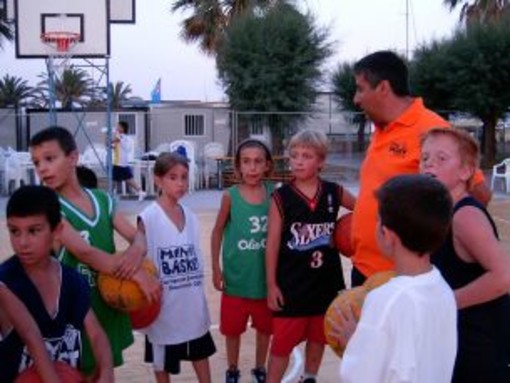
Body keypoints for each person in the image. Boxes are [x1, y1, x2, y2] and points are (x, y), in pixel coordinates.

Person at [350, 50, 492, 287]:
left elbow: (479, 194)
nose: (356, 99)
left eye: (360, 89)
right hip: (365, 269)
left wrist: (438, 247)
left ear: (383, 88)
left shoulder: (432, 129)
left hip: (401, 278)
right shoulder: (382, 128)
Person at [29, 126, 161, 378]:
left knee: (105, 371)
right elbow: (86, 252)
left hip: (106, 301)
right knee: (82, 374)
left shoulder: (103, 199)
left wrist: (137, 250)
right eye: (36, 163)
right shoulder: (48, 207)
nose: (42, 168)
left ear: (73, 158)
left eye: (49, 158)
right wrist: (136, 273)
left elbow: (137, 236)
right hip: (75, 310)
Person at [336, 174, 457, 383]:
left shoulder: (384, 300)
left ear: (387, 234)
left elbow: (360, 376)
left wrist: (354, 343)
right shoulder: (444, 289)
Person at [265, 129, 356, 383]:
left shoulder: (333, 192)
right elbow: (271, 244)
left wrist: (348, 235)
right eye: (294, 156)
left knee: (318, 337)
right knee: (281, 344)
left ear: (321, 162)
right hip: (291, 284)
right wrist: (271, 285)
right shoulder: (281, 197)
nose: (298, 161)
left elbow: (363, 211)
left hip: (326, 282)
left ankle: (310, 377)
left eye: (306, 156)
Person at [420, 127, 510, 383]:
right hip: (457, 338)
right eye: (425, 158)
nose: (430, 164)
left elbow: (504, 277)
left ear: (466, 171)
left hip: (480, 343)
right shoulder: (440, 214)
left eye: (441, 158)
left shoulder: (465, 216)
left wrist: (444, 303)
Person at [0, 186, 113, 383]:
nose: (23, 242)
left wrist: (106, 371)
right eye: (14, 231)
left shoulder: (72, 281)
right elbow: (31, 337)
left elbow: (96, 334)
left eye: (34, 231)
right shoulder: (5, 282)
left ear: (57, 230)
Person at [138, 152, 216, 383]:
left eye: (184, 177)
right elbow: (138, 258)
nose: (180, 183)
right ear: (158, 180)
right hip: (164, 305)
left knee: (201, 353)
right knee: (162, 363)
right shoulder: (147, 217)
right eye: (173, 177)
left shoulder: (191, 216)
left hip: (190, 301)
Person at [211, 139, 274, 383]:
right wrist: (216, 268)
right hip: (236, 280)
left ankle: (259, 368)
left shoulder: (274, 194)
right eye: (246, 162)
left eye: (258, 162)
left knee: (265, 330)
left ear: (267, 165)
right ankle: (233, 369)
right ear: (238, 167)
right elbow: (217, 231)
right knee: (233, 331)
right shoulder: (230, 196)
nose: (252, 168)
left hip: (263, 281)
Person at [112, 121, 145, 201]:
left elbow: (126, 148)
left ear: (122, 128)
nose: (117, 127)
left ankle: (111, 194)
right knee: (127, 179)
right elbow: (111, 145)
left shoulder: (123, 137)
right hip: (118, 162)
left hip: (120, 162)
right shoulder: (119, 137)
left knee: (116, 179)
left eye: (118, 126)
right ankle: (140, 191)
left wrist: (116, 138)